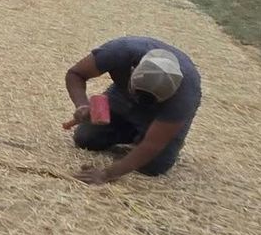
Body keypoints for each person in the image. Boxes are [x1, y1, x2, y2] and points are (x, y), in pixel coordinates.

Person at [63, 36, 201, 183]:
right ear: (132, 70)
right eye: (138, 93)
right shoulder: (118, 52)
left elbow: (152, 145)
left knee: (153, 166)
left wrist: (107, 174)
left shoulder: (183, 97)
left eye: (149, 98)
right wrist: (82, 105)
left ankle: (151, 134)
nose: (141, 101)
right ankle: (134, 131)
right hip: (122, 96)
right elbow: (75, 74)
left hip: (161, 111)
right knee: (85, 138)